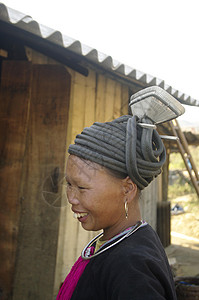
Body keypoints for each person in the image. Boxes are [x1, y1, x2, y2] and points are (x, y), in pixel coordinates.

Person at [56, 95, 178, 299]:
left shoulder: (132, 267)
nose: (72, 198)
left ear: (128, 189)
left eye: (82, 188)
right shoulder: (116, 241)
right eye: (69, 184)